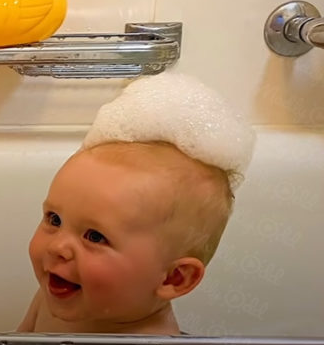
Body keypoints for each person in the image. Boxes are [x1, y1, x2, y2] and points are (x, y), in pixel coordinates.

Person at [16, 138, 239, 335]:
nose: (57, 247)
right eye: (54, 219)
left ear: (174, 278)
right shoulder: (55, 294)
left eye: (94, 236)